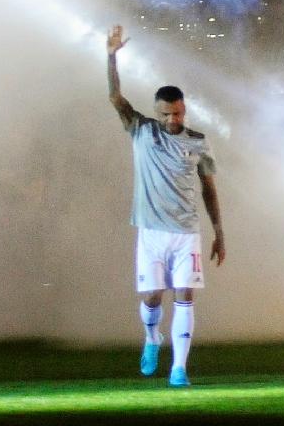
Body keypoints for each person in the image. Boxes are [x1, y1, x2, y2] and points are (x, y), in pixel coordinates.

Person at [106, 25, 223, 388]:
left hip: (186, 232)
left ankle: (179, 370)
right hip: (152, 231)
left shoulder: (199, 142)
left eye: (178, 113)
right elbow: (115, 98)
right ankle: (152, 337)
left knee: (185, 297)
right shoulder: (142, 131)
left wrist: (220, 232)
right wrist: (111, 57)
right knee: (152, 296)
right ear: (157, 114)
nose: (173, 120)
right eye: (167, 115)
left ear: (184, 110)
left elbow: (209, 188)